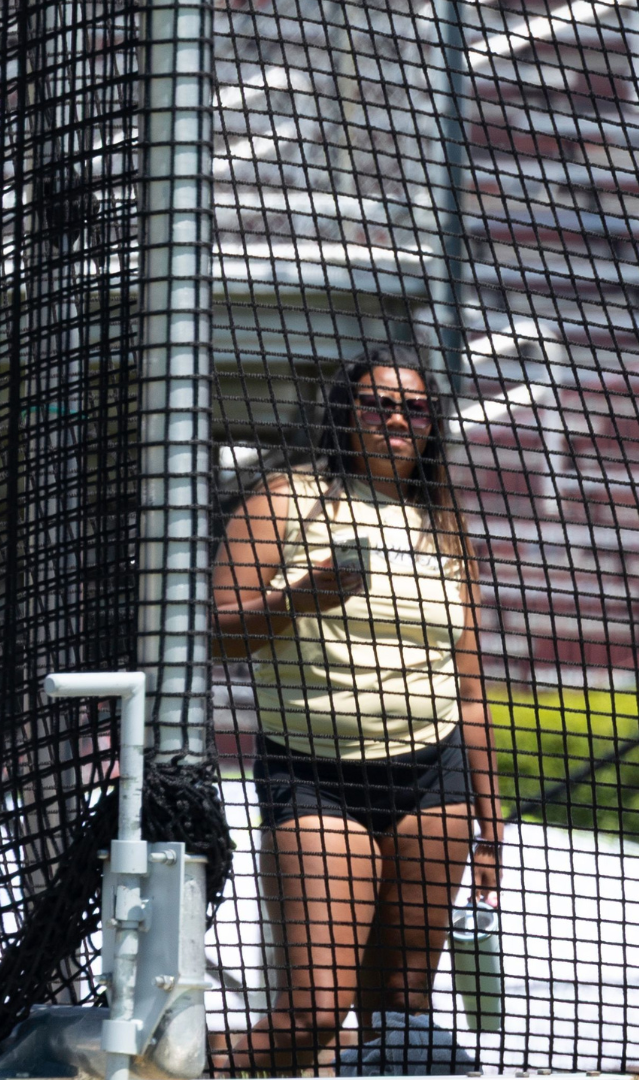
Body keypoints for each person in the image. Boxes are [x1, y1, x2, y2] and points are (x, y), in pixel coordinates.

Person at [210, 350, 502, 1073]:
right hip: (315, 776)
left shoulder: (444, 525)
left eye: (415, 408)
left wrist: (490, 823)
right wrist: (297, 600)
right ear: (345, 413)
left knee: (401, 1014)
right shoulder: (284, 501)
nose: (398, 419)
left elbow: (469, 691)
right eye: (379, 404)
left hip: (433, 780)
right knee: (312, 1015)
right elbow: (216, 635)